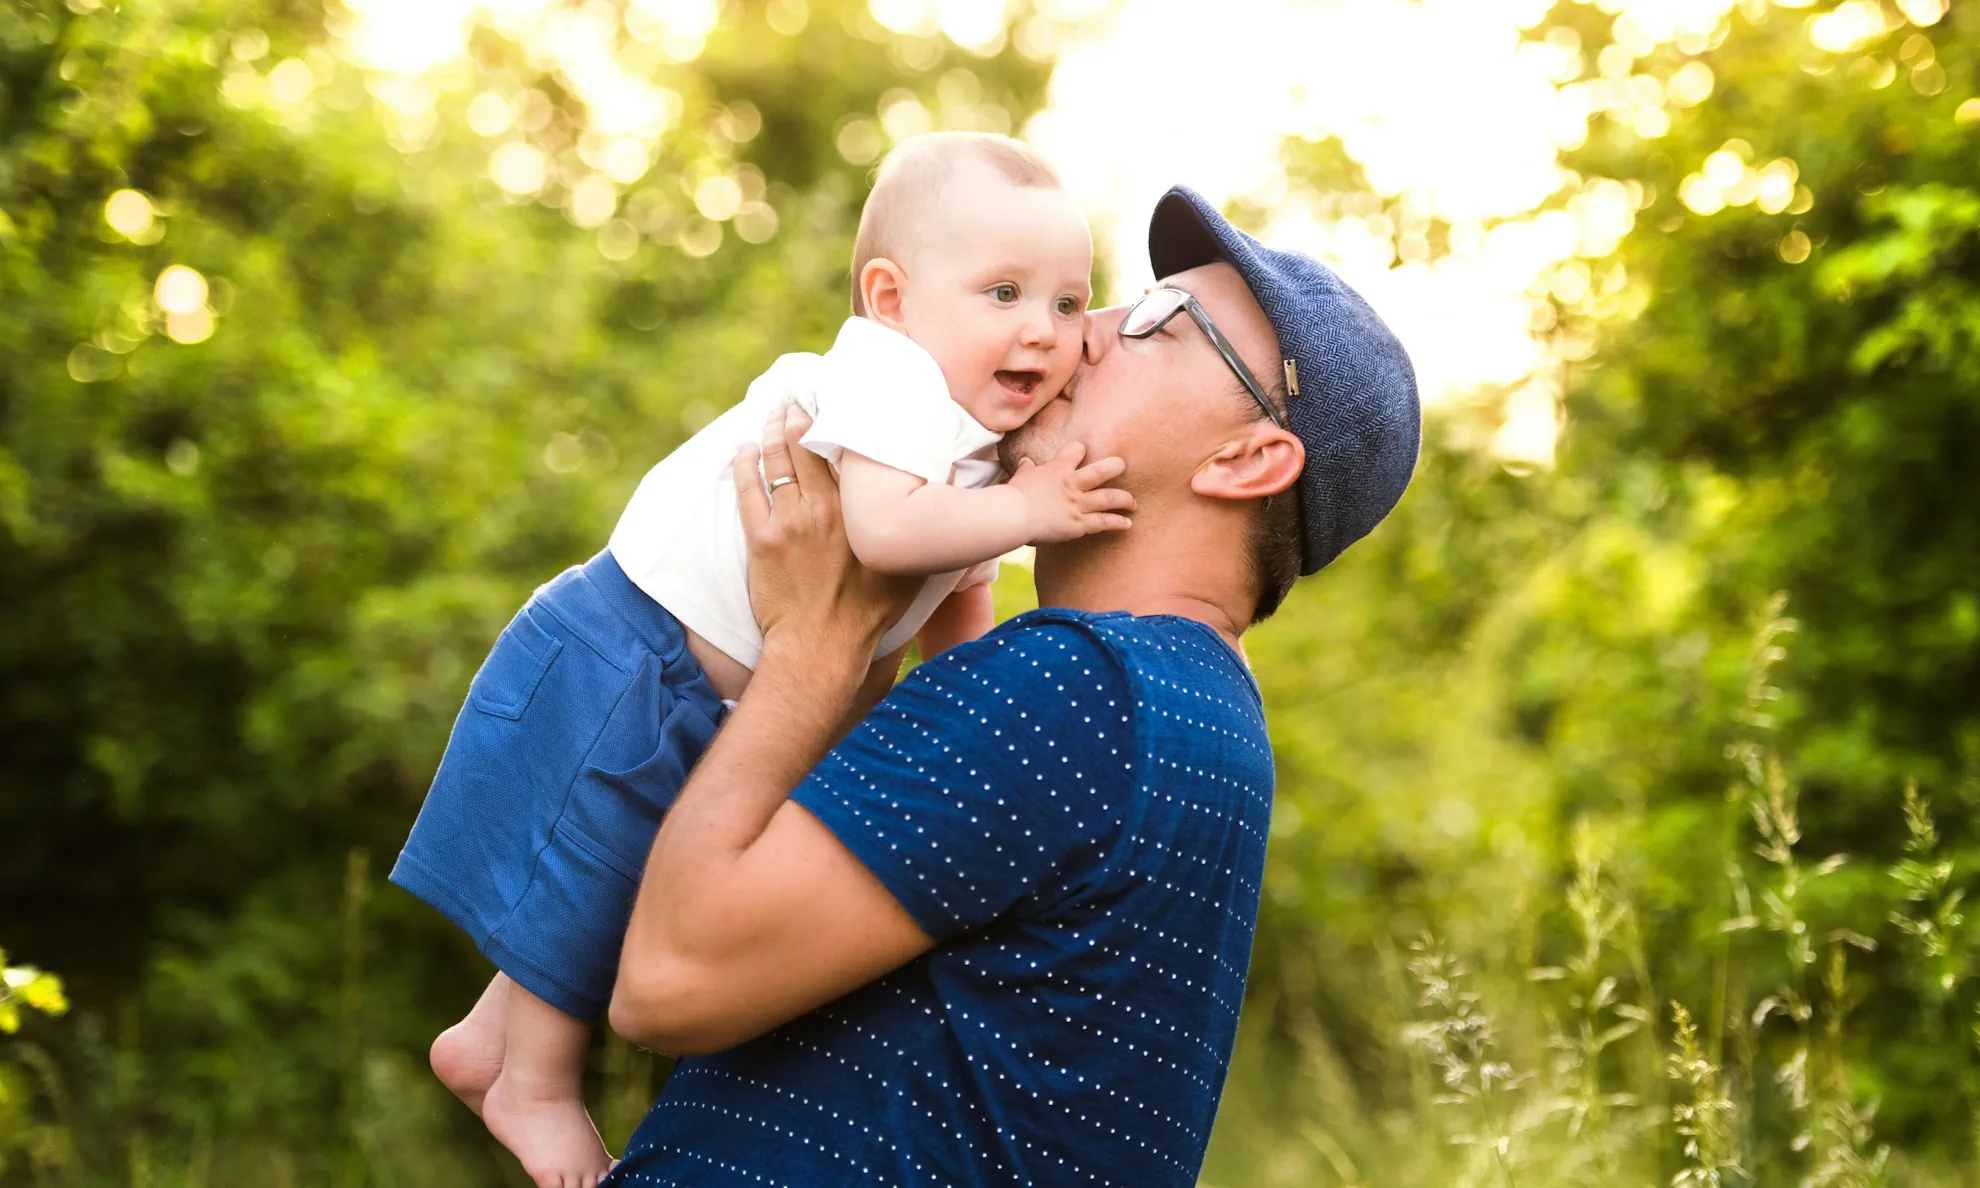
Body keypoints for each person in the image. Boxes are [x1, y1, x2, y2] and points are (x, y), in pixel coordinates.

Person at [601, 185, 1421, 1185]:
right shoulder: (1194, 712)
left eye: (1163, 323)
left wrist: (808, 644)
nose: (1083, 337)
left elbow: (668, 980)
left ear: (1248, 459)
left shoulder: (1082, 683)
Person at [386, 132, 1132, 1188]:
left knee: (618, 879)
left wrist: (969, 681)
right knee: (602, 848)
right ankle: (535, 1083)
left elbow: (959, 584)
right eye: (1003, 292)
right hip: (633, 650)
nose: (1042, 332)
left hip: (707, 684)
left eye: (1068, 304)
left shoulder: (974, 437)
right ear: (892, 296)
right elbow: (883, 531)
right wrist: (1032, 505)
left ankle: (485, 1038)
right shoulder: (893, 379)